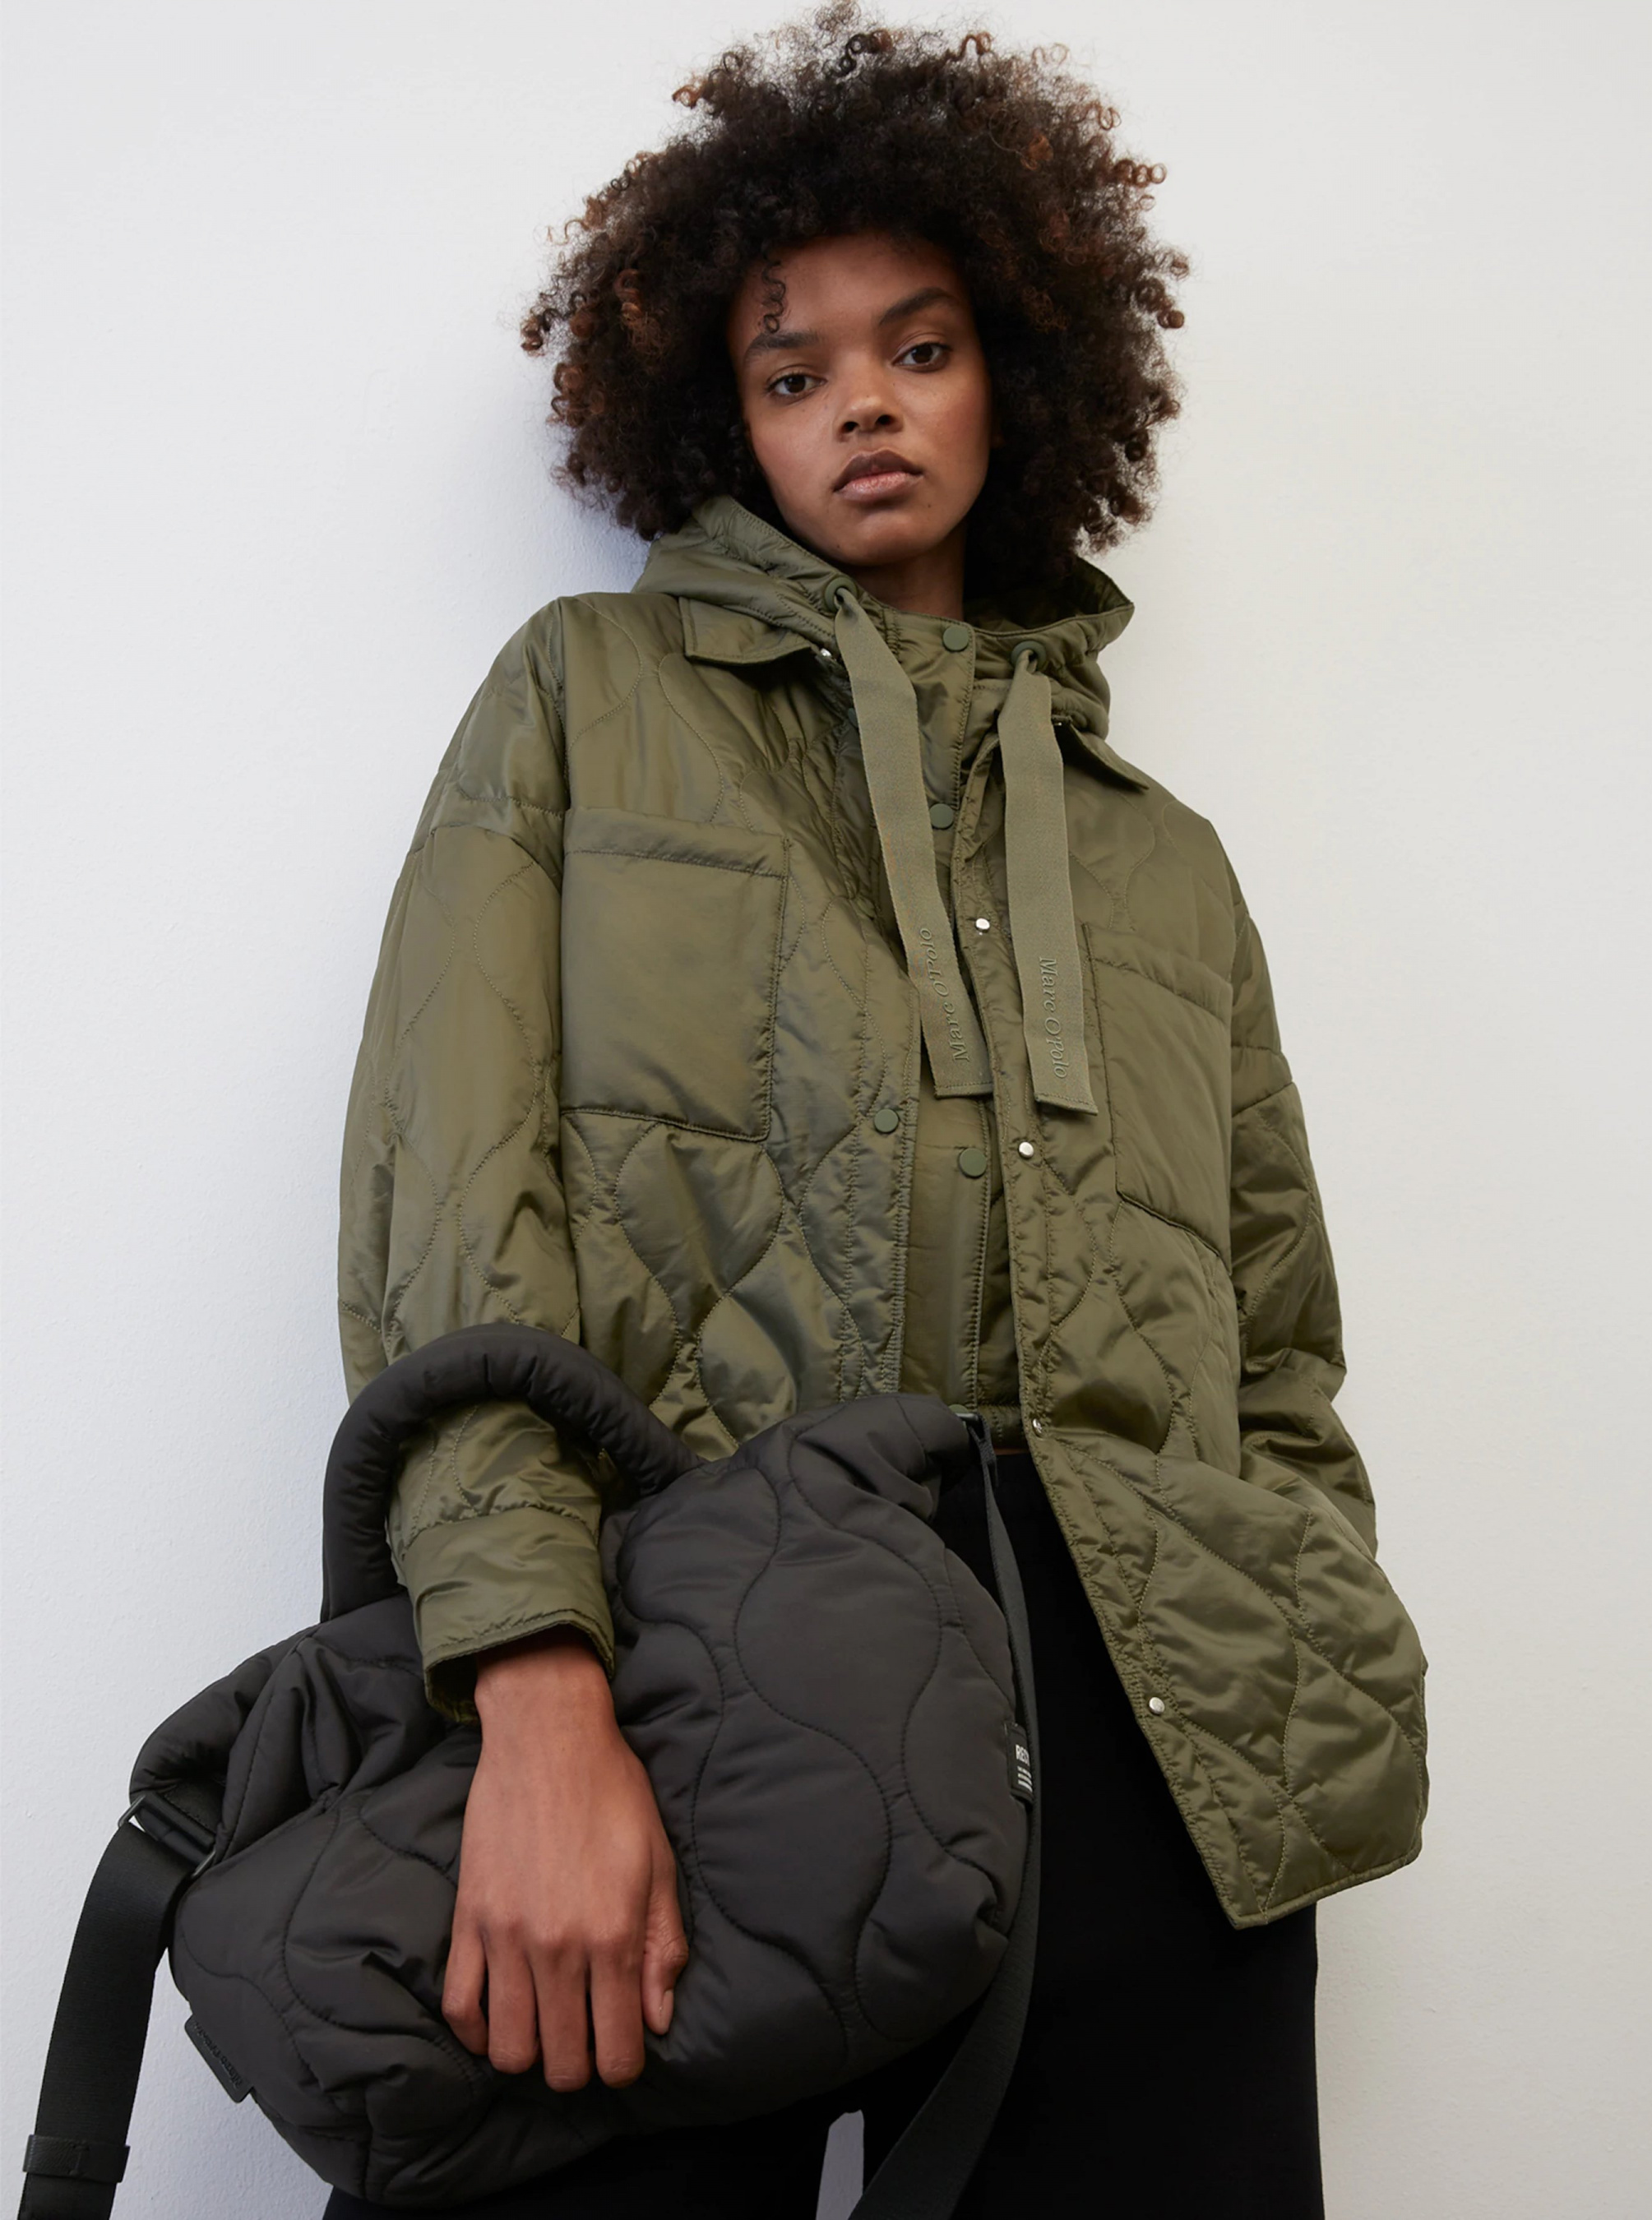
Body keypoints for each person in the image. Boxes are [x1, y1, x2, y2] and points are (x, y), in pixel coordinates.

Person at [326, 10, 1428, 2215]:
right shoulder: (583, 701)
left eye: (918, 348)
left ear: (1016, 373)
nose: (863, 404)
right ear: (717, 420)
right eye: (791, 368)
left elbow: (1276, 1341)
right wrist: (531, 1683)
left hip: (1154, 1716)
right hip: (691, 1662)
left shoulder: (1161, 857)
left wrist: (1299, 1624)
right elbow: (455, 1219)